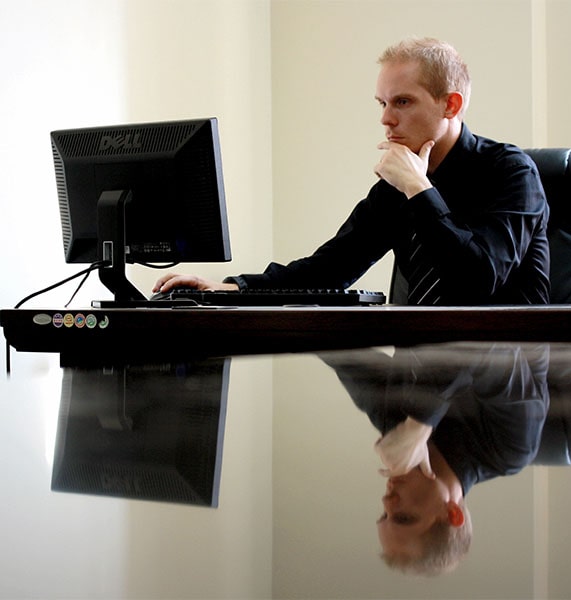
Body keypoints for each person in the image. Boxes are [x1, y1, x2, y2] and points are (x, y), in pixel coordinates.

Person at [153, 37, 550, 305]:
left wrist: (418, 188)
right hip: (420, 373)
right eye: (382, 103)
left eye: (402, 102)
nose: (386, 119)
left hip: (504, 377)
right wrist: (229, 288)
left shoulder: (512, 172)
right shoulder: (397, 186)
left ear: (451, 105)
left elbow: (479, 279)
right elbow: (328, 270)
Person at [320, 342, 550, 575]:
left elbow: (341, 352)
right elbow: (482, 344)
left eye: (384, 515)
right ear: (452, 513)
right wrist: (419, 424)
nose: (387, 501)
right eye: (403, 517)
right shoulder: (509, 449)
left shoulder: (395, 428)